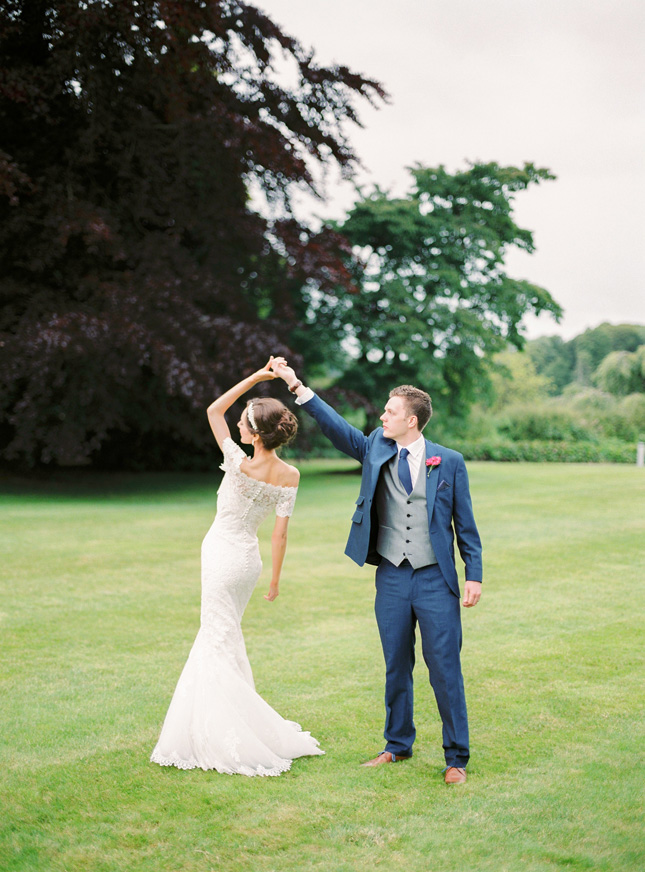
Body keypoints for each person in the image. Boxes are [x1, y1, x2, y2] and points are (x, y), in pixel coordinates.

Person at [270, 358, 482, 784]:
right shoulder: (375, 446)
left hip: (436, 579)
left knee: (444, 667)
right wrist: (296, 385)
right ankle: (397, 746)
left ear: (412, 420)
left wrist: (473, 574)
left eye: (390, 411)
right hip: (391, 577)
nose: (382, 416)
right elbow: (335, 427)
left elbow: (466, 523)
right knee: (395, 665)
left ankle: (455, 758)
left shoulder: (449, 462)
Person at [150, 359, 323, 776]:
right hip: (248, 561)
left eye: (245, 421)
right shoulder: (290, 475)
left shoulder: (236, 461)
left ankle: (221, 732)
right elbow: (279, 535)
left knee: (215, 638)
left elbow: (213, 410)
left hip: (220, 554)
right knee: (223, 637)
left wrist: (258, 378)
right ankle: (226, 721)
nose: (240, 426)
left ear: (254, 432)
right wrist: (276, 579)